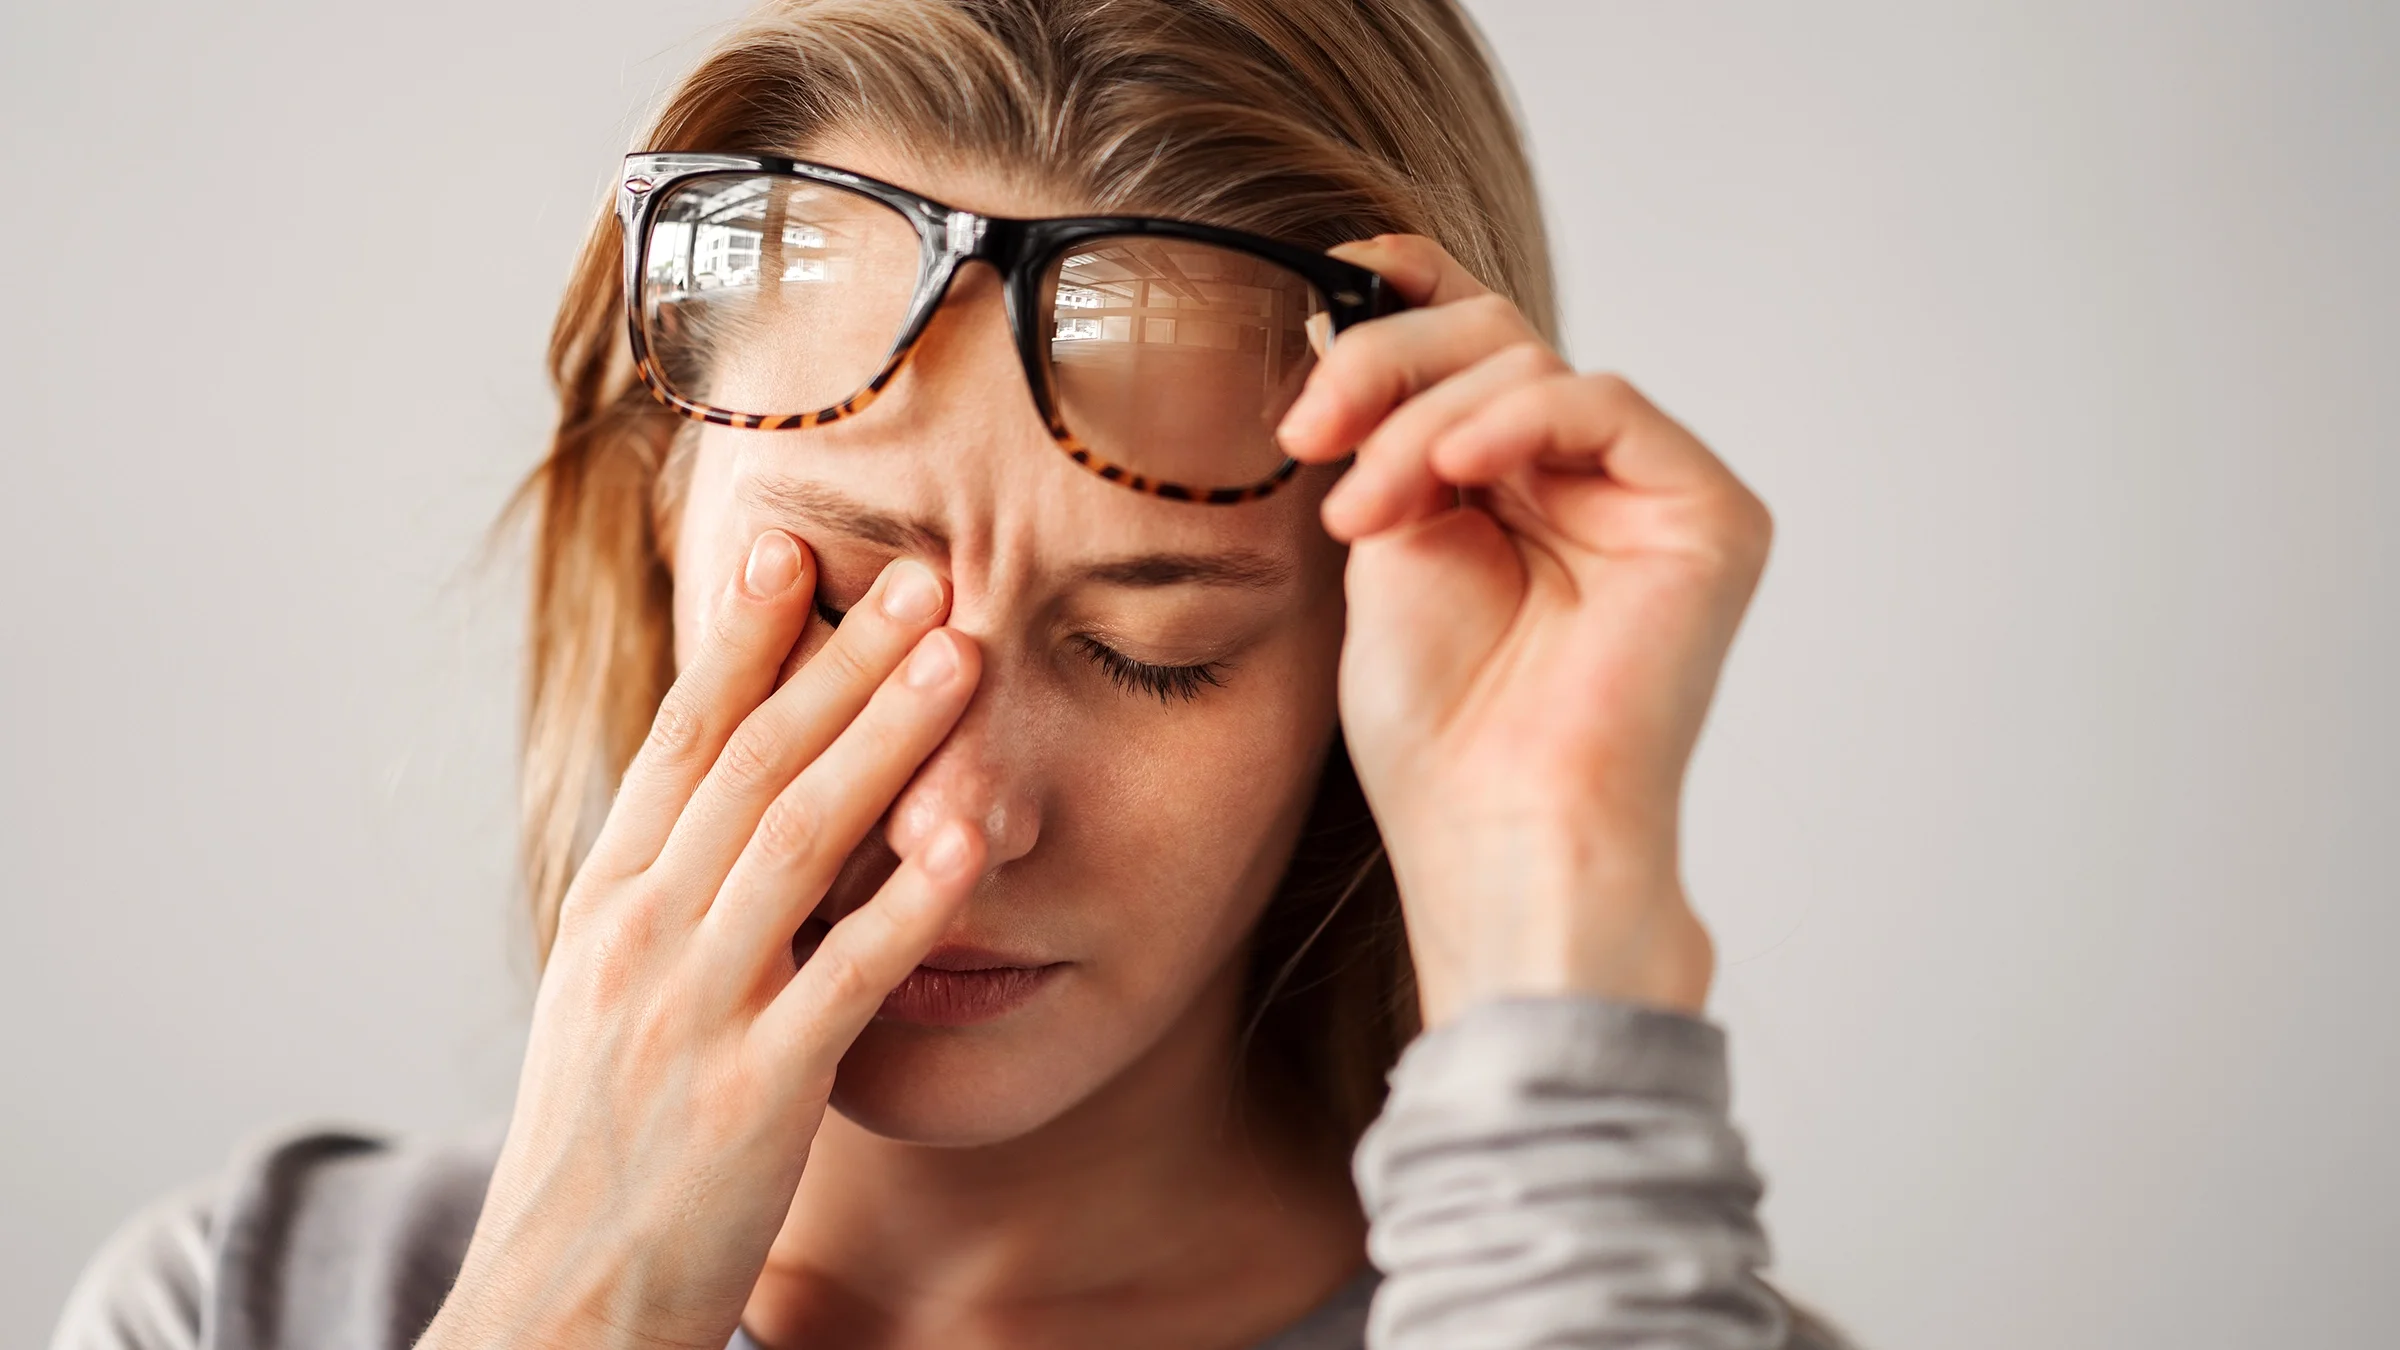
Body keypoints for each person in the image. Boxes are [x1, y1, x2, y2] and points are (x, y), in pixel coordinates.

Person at [51, 2, 1850, 1346]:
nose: (961, 825)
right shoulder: (250, 1306)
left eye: (1158, 654)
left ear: (1365, 654)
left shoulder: (1610, 1298)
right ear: (646, 531)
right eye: (833, 605)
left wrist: (1554, 913)